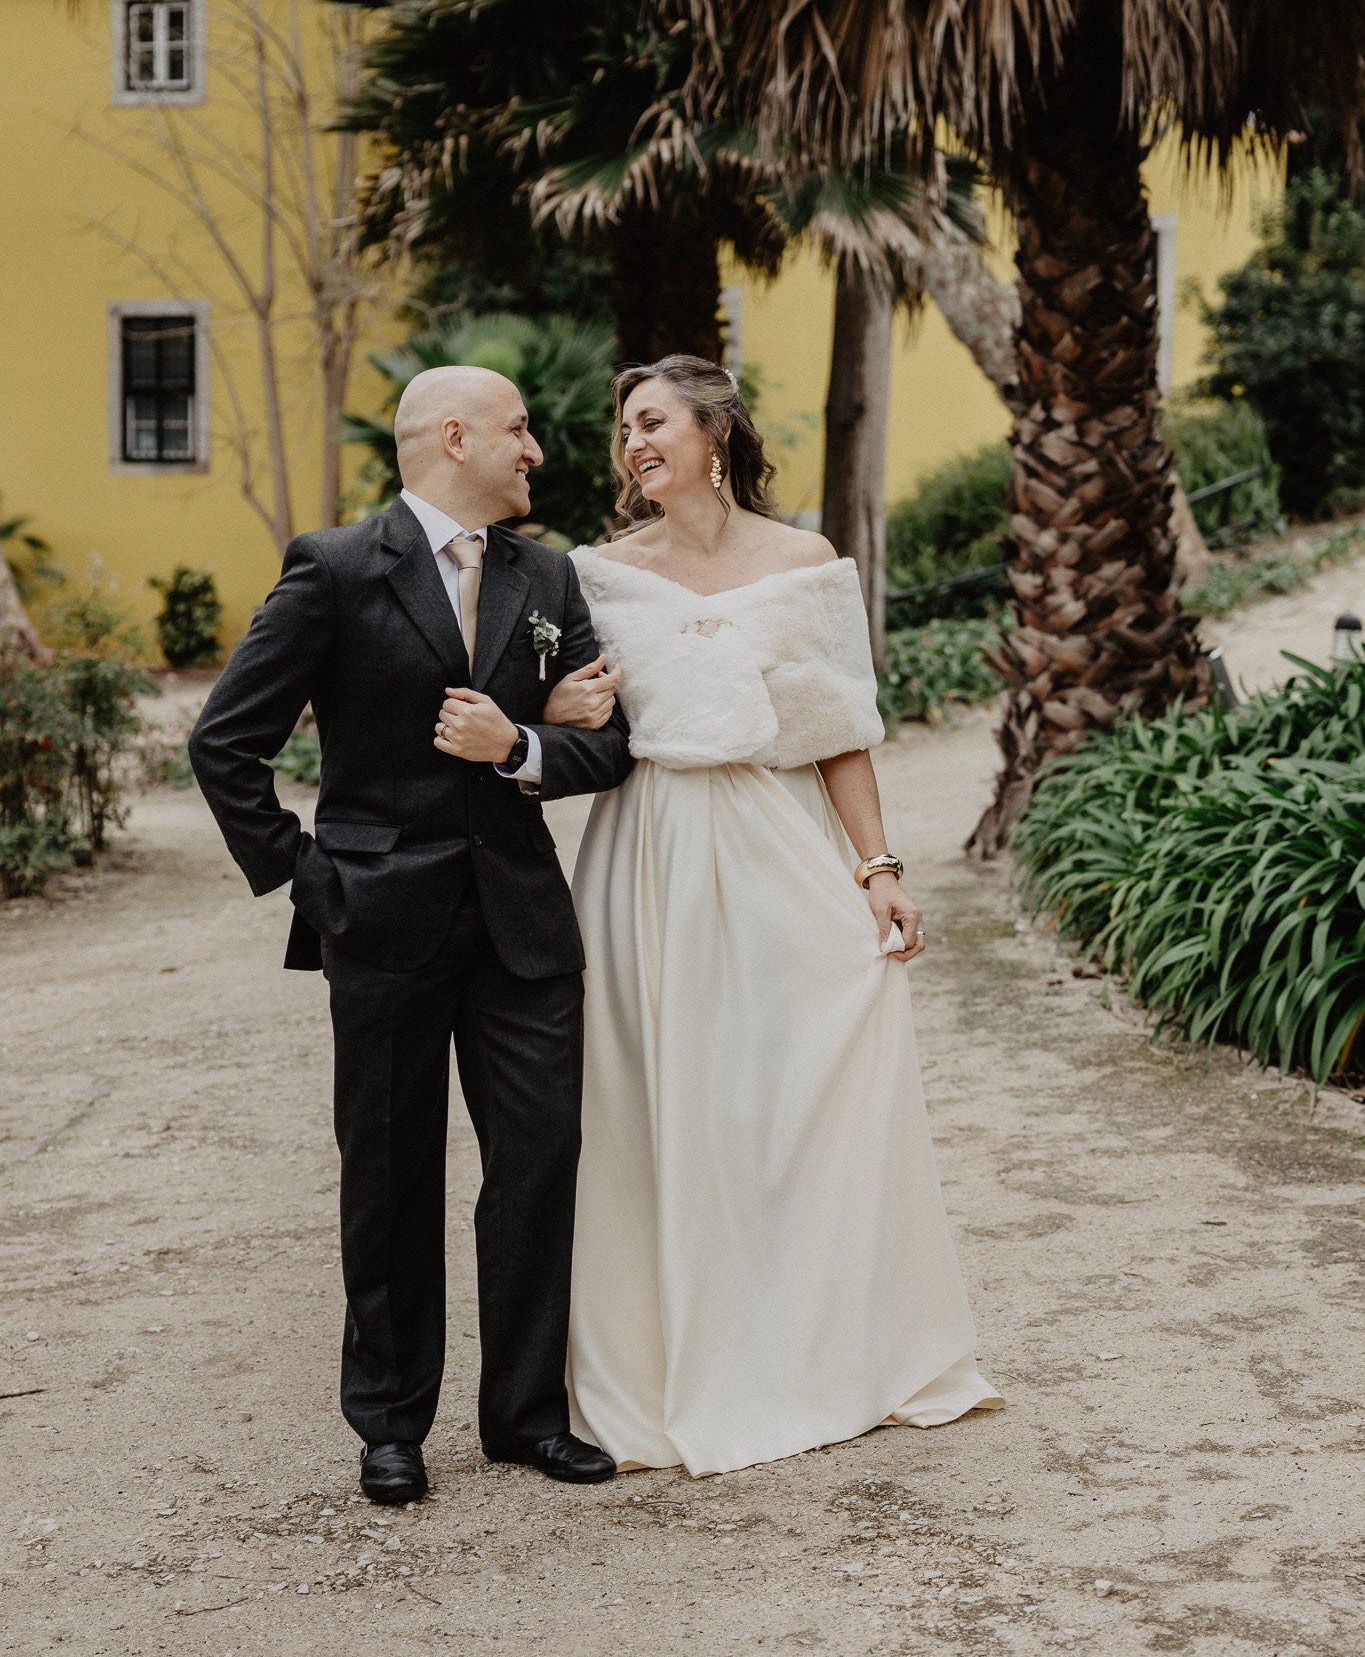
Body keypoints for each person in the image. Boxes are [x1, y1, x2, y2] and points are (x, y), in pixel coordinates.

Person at [514, 355, 1001, 1476]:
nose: (633, 442)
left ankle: (818, 1347)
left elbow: (839, 733)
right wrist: (555, 706)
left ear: (715, 429)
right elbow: (571, 724)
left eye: (652, 420)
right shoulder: (595, 575)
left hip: (776, 843)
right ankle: (674, 1359)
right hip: (648, 855)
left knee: (786, 1090)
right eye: (623, 427)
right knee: (659, 1102)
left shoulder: (805, 564)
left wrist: (877, 868)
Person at [189, 365, 633, 1503]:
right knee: (389, 1174)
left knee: (537, 1165)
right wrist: (313, 880)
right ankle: (389, 1423)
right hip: (379, 922)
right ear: (455, 436)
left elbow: (608, 744)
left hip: (523, 925)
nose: (536, 449)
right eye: (518, 429)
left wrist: (520, 744)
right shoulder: (336, 567)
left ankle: (526, 1417)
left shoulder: (549, 575)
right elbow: (224, 743)